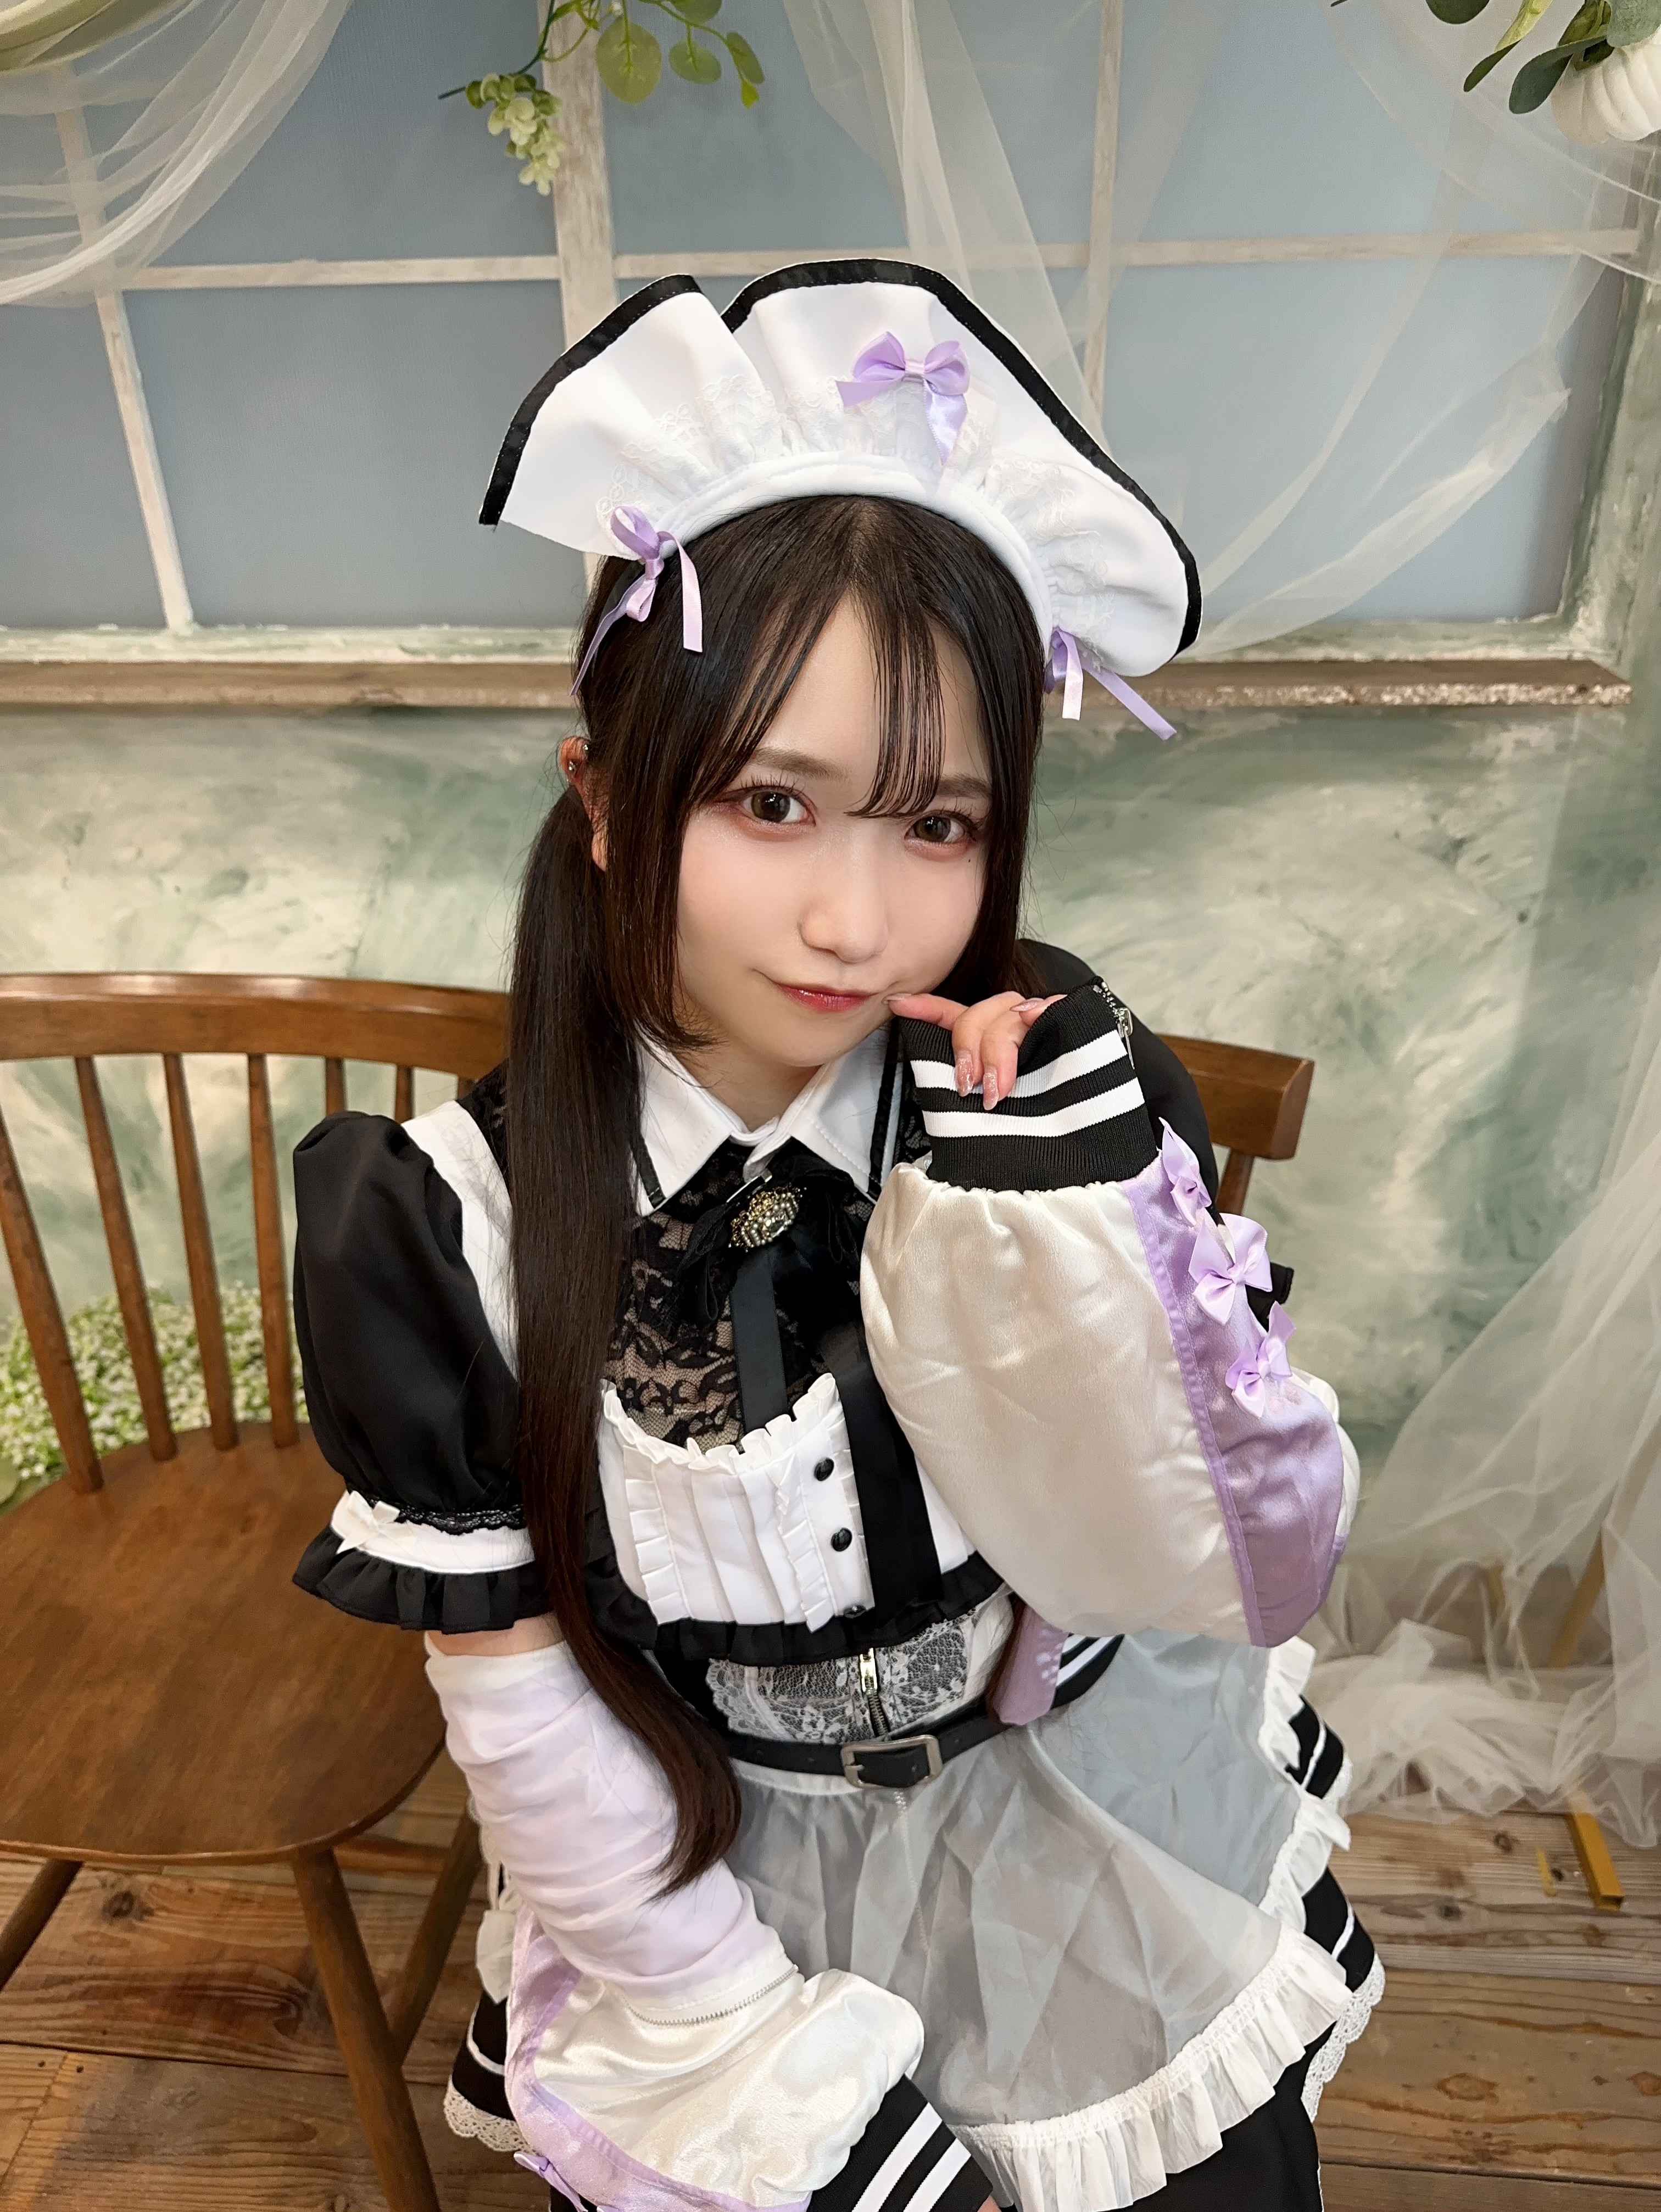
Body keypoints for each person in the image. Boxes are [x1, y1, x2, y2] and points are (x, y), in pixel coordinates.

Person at [291, 261, 1380, 2212]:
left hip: (1074, 1807)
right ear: (605, 800)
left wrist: (1077, 1223)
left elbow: (1236, 1557)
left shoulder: (1042, 1092)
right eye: (773, 804)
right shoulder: (449, 1227)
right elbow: (535, 1734)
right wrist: (769, 2072)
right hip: (710, 1887)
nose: (855, 924)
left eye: (936, 824)